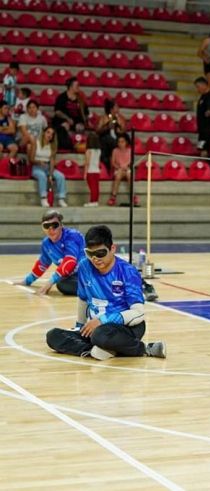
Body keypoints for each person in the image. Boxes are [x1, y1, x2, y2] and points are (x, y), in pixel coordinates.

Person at [45, 225, 166, 361]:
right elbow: (83, 299)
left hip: (126, 327)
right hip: (96, 327)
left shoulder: (127, 271)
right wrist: (80, 326)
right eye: (90, 254)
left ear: (112, 249)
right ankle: (94, 351)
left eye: (100, 253)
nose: (95, 258)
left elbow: (138, 313)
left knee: (100, 335)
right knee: (53, 335)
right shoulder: (85, 267)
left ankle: (145, 349)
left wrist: (103, 321)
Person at [13, 210, 84, 296]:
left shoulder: (72, 236)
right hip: (74, 276)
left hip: (89, 273)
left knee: (62, 285)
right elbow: (42, 265)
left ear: (61, 225)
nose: (51, 229)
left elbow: (70, 262)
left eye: (55, 225)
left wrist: (50, 282)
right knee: (63, 284)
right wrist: (27, 281)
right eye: (46, 226)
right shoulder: (46, 243)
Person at [29, 127, 67, 207]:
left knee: (61, 176)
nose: (50, 135)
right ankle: (43, 198)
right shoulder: (36, 143)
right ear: (44, 133)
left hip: (48, 167)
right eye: (48, 132)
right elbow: (31, 159)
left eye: (52, 134)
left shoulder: (52, 146)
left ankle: (61, 198)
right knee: (42, 176)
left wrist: (50, 174)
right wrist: (39, 162)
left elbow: (52, 161)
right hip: (37, 167)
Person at [52, 77, 89, 151]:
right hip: (62, 121)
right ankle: (66, 147)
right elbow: (57, 112)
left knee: (80, 128)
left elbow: (86, 113)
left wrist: (84, 122)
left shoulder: (80, 99)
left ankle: (78, 146)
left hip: (76, 122)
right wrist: (67, 119)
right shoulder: (62, 97)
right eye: (76, 86)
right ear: (70, 87)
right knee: (63, 127)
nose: (78, 87)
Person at [108, 133, 138, 207]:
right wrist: (119, 167)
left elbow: (131, 162)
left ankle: (133, 196)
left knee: (129, 175)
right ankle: (113, 197)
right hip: (118, 169)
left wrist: (127, 167)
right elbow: (113, 163)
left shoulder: (130, 150)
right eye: (119, 142)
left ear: (126, 142)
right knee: (118, 176)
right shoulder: (115, 150)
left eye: (122, 142)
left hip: (127, 169)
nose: (120, 143)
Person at [95, 98, 127, 168]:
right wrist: (107, 127)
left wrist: (120, 129)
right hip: (105, 142)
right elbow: (97, 130)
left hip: (117, 140)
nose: (118, 108)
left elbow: (124, 130)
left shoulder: (120, 118)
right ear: (111, 109)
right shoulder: (103, 118)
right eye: (116, 107)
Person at [194, 76, 210, 160]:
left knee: (205, 150)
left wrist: (208, 112)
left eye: (198, 87)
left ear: (204, 85)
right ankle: (205, 167)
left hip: (209, 128)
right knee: (201, 148)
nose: (197, 89)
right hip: (203, 129)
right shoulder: (202, 96)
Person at [83, 132, 101, 207]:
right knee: (96, 187)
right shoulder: (99, 151)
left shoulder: (88, 151)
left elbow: (87, 163)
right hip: (97, 171)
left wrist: (85, 173)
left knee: (92, 188)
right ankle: (95, 201)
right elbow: (98, 161)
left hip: (90, 171)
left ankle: (92, 201)